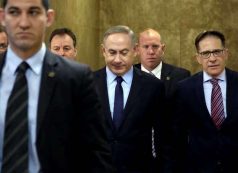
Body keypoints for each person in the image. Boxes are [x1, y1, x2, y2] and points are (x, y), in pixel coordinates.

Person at [0, 0, 114, 173]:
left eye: (33, 12)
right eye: (14, 12)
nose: (23, 23)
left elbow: (96, 155)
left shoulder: (76, 78)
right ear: (2, 17)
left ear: (48, 17)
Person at [94, 25, 171, 173]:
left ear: (135, 50)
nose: (117, 59)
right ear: (103, 51)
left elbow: (164, 137)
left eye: (123, 52)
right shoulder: (89, 84)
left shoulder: (153, 86)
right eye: (112, 52)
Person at [171, 30, 238, 173]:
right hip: (197, 167)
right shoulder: (184, 89)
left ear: (226, 54)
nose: (212, 59)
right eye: (206, 53)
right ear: (198, 58)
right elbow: (177, 136)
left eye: (217, 52)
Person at [135, 28, 190, 99]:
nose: (151, 52)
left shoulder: (181, 76)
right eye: (146, 47)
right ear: (137, 49)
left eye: (155, 46)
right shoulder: (128, 74)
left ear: (162, 49)